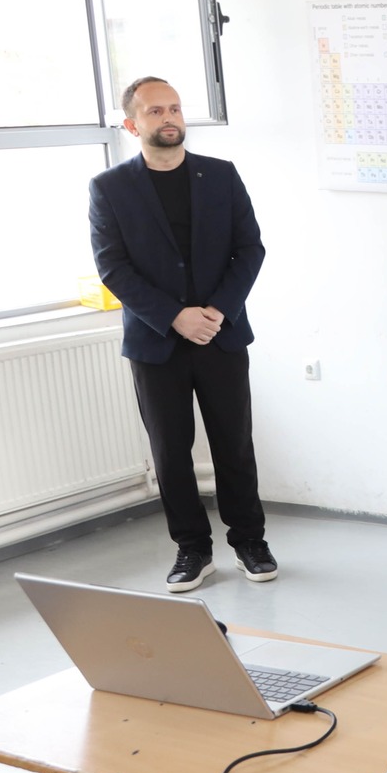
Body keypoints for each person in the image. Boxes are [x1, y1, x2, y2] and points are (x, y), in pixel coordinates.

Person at [89, 77, 275, 593]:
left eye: (174, 108)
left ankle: (250, 541)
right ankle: (192, 549)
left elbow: (250, 249)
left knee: (234, 443)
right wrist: (175, 317)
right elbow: (113, 267)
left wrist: (215, 311)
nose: (169, 117)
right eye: (155, 111)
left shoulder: (221, 175)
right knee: (170, 451)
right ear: (132, 125)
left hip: (221, 334)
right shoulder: (109, 188)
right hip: (156, 342)